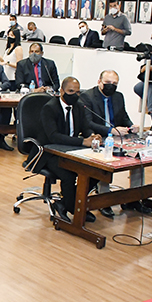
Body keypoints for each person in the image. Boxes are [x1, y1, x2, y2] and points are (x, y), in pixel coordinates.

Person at [33, 77, 102, 223]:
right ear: (62, 91)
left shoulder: (79, 106)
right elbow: (53, 136)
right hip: (49, 152)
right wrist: (83, 141)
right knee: (69, 174)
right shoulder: (49, 108)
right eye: (71, 91)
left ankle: (67, 204)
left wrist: (92, 136)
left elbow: (85, 127)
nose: (75, 95)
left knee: (97, 171)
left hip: (72, 150)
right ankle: (74, 208)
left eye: (77, 92)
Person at [79, 70, 143, 217]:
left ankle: (135, 198)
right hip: (98, 138)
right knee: (106, 161)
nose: (111, 86)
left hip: (119, 137)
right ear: (99, 82)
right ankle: (104, 200)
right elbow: (87, 123)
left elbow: (124, 116)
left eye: (114, 84)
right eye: (108, 83)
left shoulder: (118, 96)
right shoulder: (87, 97)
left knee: (139, 158)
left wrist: (131, 126)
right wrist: (110, 130)